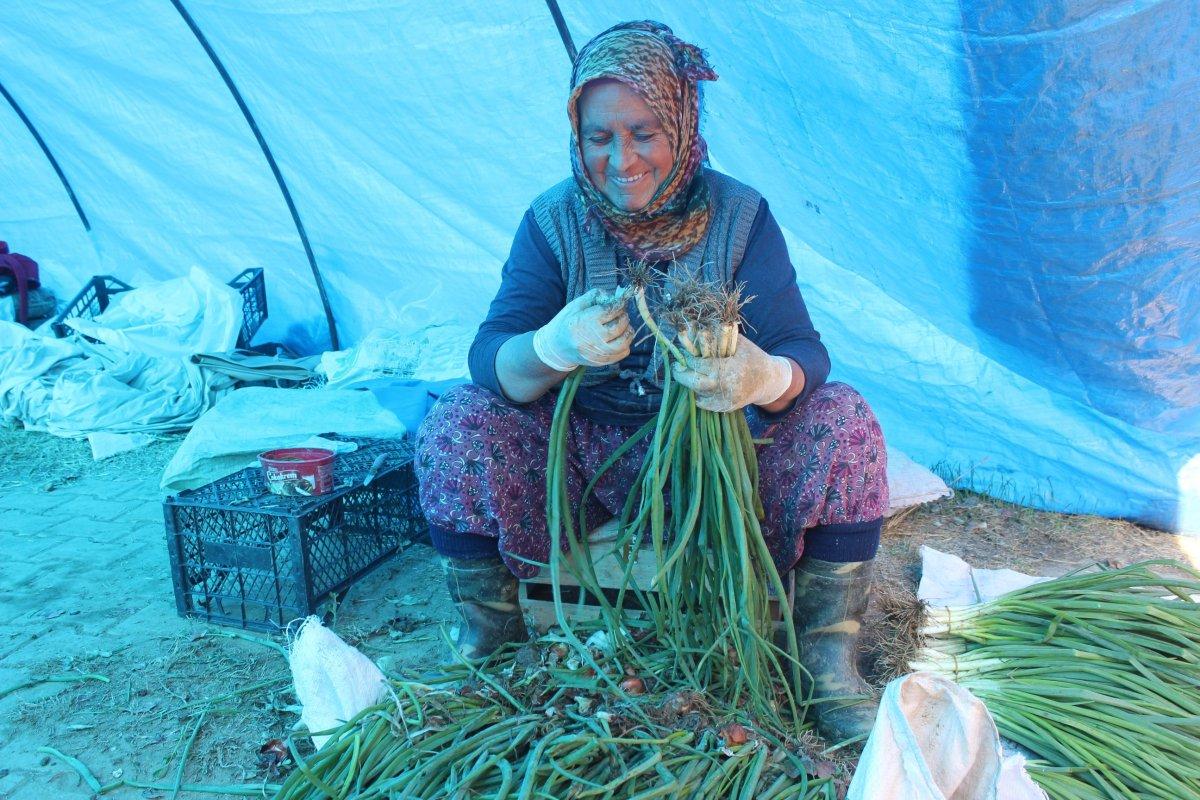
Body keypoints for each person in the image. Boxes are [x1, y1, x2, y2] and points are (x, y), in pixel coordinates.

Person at [414, 20, 888, 742]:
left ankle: (825, 660)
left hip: (717, 464)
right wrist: (549, 346)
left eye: (643, 133)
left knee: (845, 420)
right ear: (577, 136)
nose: (621, 159)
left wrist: (760, 375)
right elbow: (491, 361)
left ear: (682, 122)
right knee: (456, 419)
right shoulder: (554, 220)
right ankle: (493, 640)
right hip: (584, 463)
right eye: (599, 137)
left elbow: (805, 354)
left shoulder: (740, 216)